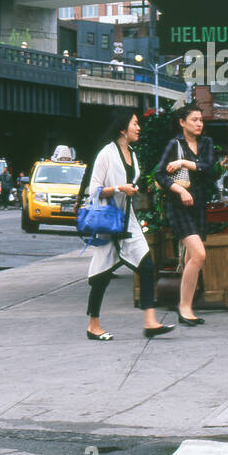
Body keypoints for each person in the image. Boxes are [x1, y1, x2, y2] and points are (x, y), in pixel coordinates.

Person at [84, 108, 174, 341]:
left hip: (128, 221)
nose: (138, 128)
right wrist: (118, 189)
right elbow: (93, 190)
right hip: (108, 223)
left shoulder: (132, 154)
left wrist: (132, 190)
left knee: (146, 266)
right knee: (101, 276)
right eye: (135, 124)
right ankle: (93, 325)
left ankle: (150, 322)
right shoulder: (106, 154)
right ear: (123, 128)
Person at [154, 105, 219, 325]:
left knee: (192, 258)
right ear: (182, 122)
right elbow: (160, 175)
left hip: (199, 206)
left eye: (201, 120)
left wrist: (183, 163)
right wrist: (180, 190)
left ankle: (187, 308)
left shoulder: (207, 143)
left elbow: (210, 168)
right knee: (199, 255)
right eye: (194, 120)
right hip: (179, 207)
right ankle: (184, 307)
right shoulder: (174, 144)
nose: (199, 124)